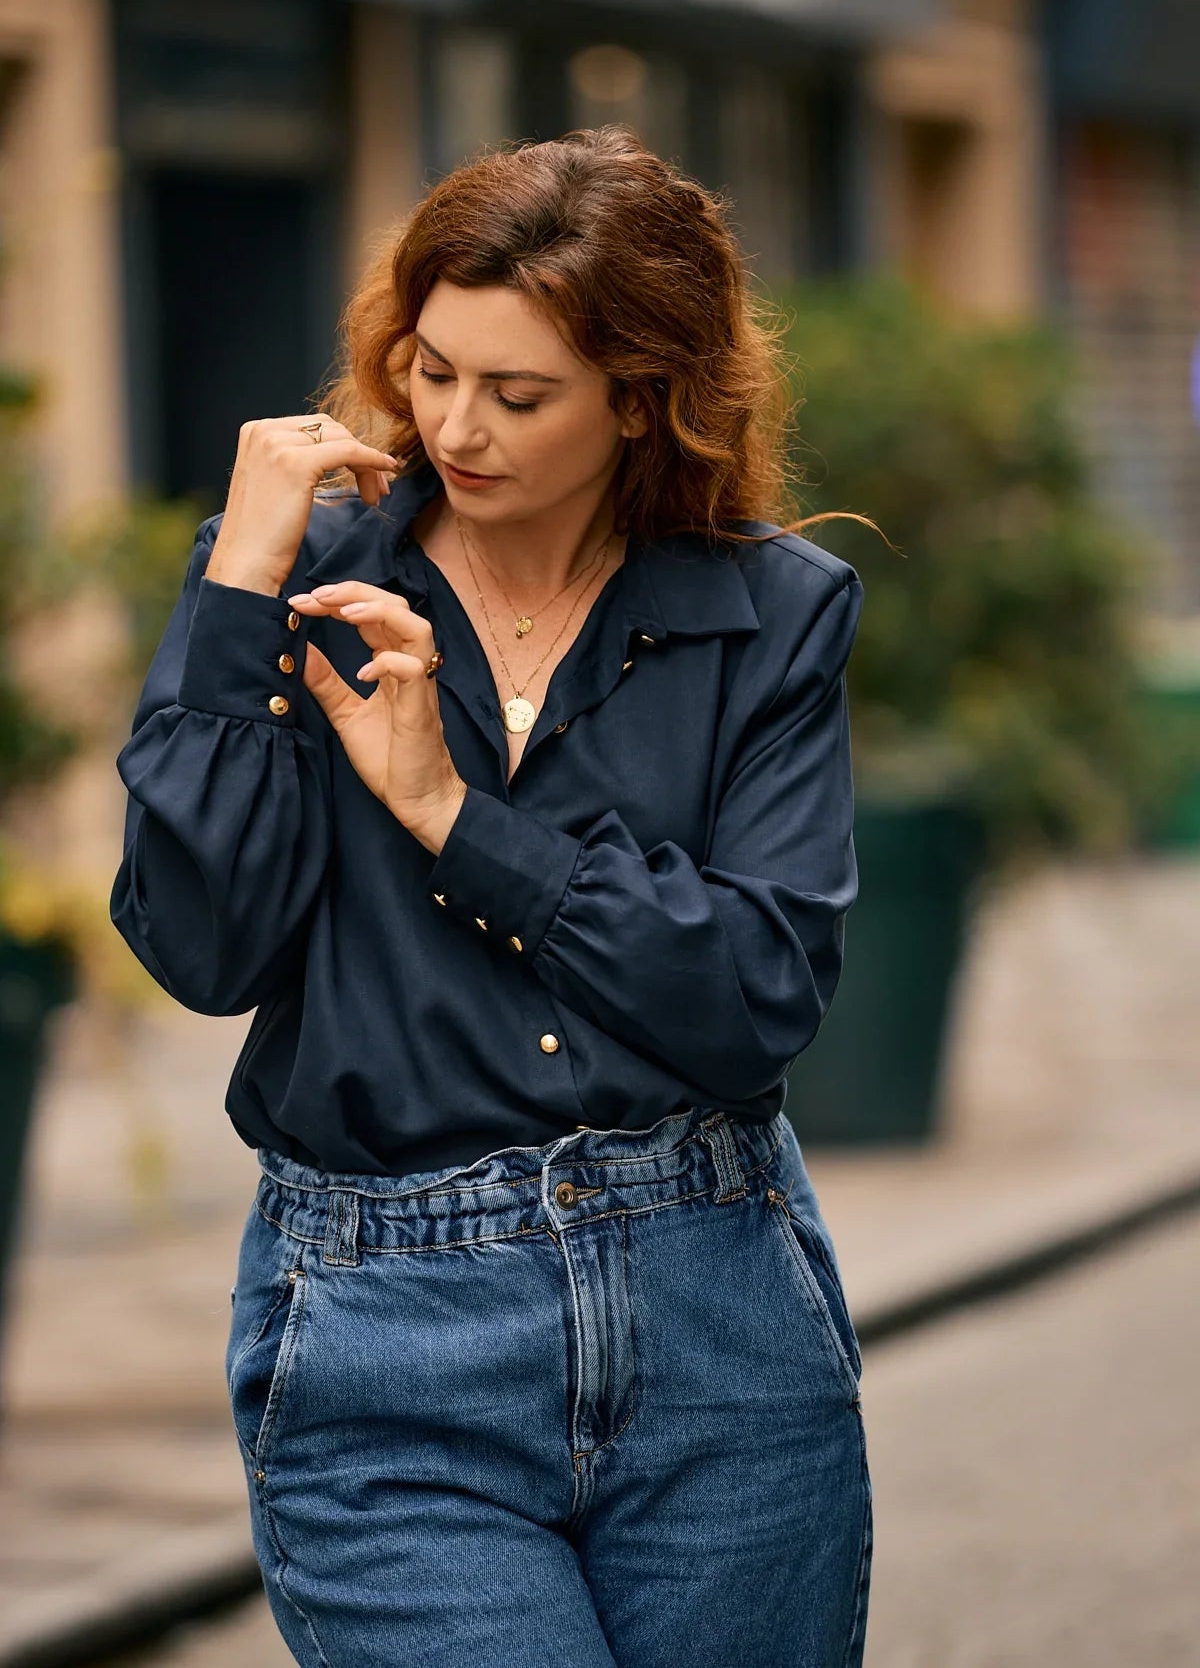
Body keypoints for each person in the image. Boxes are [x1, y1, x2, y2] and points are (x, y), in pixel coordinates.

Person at [111, 123, 874, 1667]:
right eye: (431, 368)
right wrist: (235, 595)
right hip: (387, 1336)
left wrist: (457, 821)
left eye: (518, 394)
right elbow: (203, 947)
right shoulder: (299, 587)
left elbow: (756, 996)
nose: (455, 425)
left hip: (716, 1318)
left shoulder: (772, 613)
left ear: (642, 399)